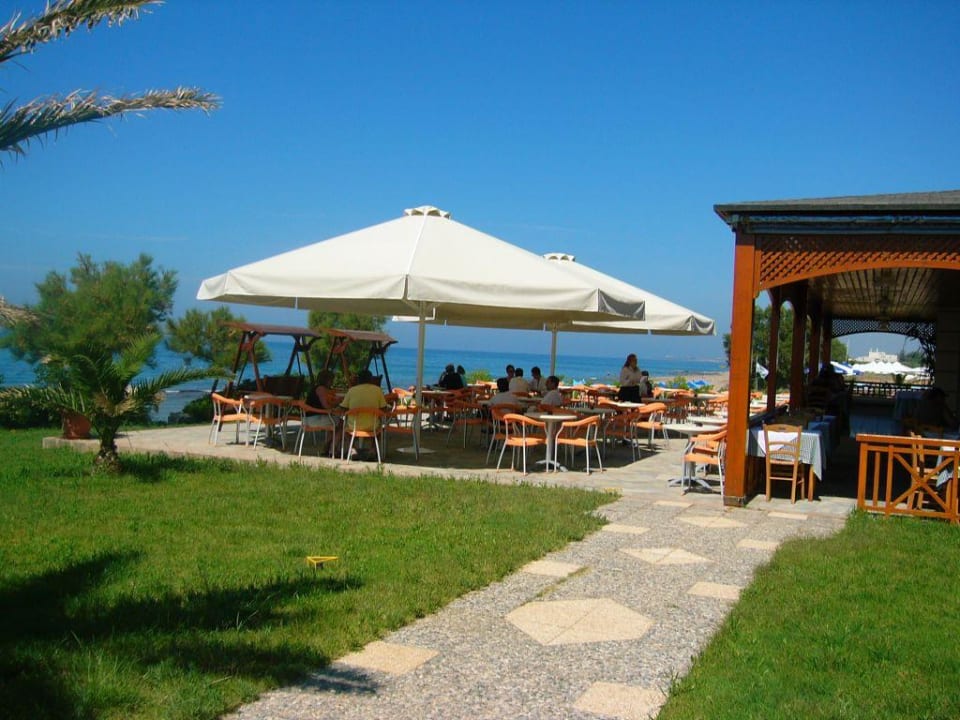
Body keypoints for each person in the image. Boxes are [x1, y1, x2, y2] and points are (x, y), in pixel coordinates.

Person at [338, 369, 388, 459]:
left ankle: (353, 448)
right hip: (372, 426)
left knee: (343, 425)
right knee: (381, 427)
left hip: (353, 426)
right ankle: (373, 449)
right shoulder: (377, 390)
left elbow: (343, 408)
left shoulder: (352, 390)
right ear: (371, 379)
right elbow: (384, 409)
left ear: (358, 380)